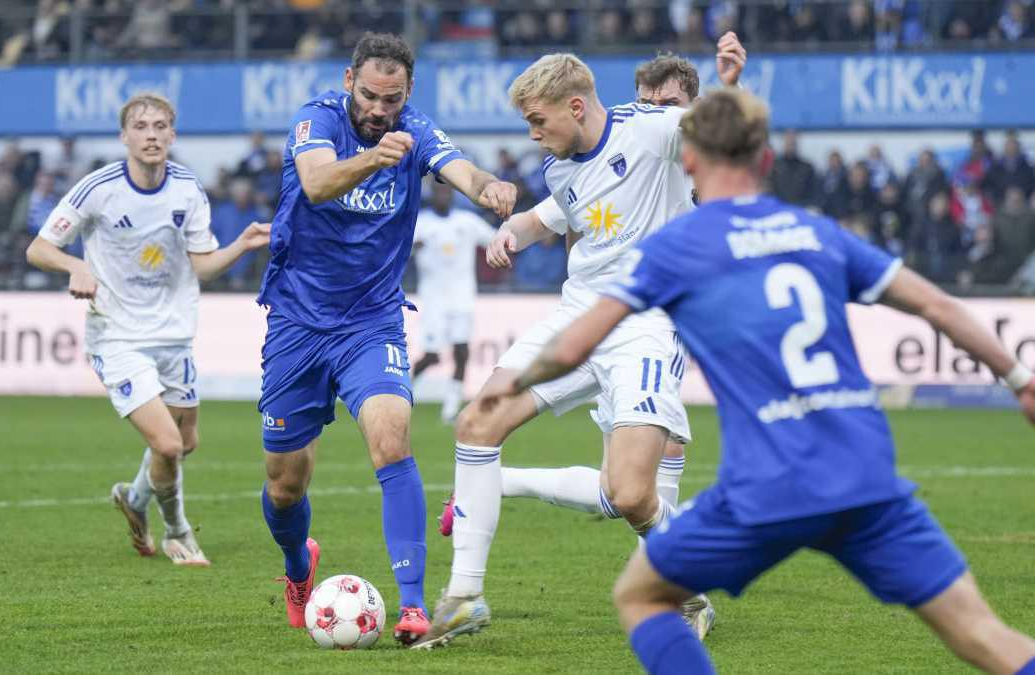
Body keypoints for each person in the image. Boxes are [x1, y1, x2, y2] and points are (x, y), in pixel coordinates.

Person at [473, 88, 1035, 675]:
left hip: (767, 486)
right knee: (983, 635)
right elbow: (938, 307)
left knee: (641, 595)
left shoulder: (679, 246)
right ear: (766, 162)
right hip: (867, 477)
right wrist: (1020, 379)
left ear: (687, 163)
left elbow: (574, 343)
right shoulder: (817, 232)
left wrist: (514, 384)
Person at [423, 37, 747, 647]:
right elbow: (552, 218)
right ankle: (464, 597)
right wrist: (513, 231)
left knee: (628, 494)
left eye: (537, 120)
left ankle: (691, 588)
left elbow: (721, 128)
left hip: (645, 327)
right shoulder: (561, 165)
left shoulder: (651, 131)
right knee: (477, 423)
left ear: (575, 107)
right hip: (577, 317)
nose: (532, 134)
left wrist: (726, 82)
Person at [255, 32, 516, 645]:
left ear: (408, 93)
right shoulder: (315, 120)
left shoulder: (417, 130)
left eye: (392, 99)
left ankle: (412, 606)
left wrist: (489, 189)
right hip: (297, 322)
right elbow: (317, 184)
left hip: (372, 322)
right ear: (350, 82)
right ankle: (299, 567)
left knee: (391, 440)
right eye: (370, 95)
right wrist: (377, 157)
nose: (379, 109)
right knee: (284, 484)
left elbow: (463, 171)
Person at [26, 92, 270, 568]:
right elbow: (38, 248)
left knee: (187, 441)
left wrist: (241, 244)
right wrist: (74, 264)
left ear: (173, 135)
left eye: (161, 126)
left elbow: (203, 268)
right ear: (125, 137)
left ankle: (135, 501)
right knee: (168, 444)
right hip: (116, 335)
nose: (151, 134)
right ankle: (179, 532)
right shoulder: (98, 188)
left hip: (174, 335)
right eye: (141, 126)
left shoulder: (187, 189)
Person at [411, 179, 498, 425]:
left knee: (461, 351)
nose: (443, 195)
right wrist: (412, 247)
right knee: (431, 356)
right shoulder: (421, 223)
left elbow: (494, 239)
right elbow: (399, 249)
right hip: (433, 298)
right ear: (432, 194)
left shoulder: (467, 222)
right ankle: (404, 394)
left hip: (462, 297)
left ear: (452, 194)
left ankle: (450, 408)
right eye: (439, 191)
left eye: (447, 191)